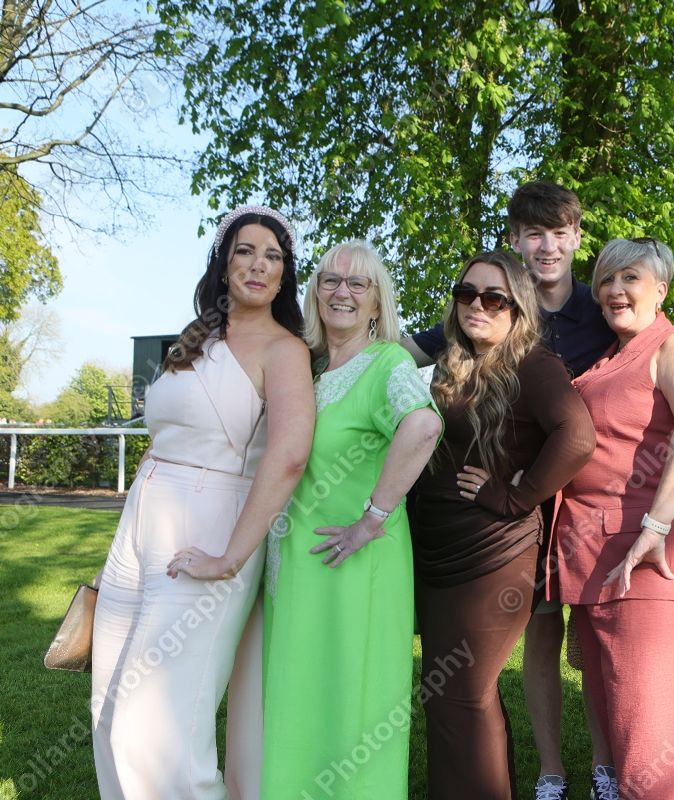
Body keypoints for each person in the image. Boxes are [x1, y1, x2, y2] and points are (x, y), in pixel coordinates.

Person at [402, 180, 617, 800]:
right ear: (516, 241)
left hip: (562, 513)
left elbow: (586, 428)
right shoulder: (466, 342)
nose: (480, 304)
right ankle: (548, 773)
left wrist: (516, 495)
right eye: (468, 295)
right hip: (475, 532)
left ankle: (604, 769)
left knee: (590, 650)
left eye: (559, 233)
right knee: (497, 667)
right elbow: (397, 348)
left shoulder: (596, 316)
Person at [91, 205, 314, 799]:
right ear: (223, 264)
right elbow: (162, 440)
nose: (258, 265)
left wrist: (229, 558)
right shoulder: (194, 341)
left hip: (212, 527)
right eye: (246, 251)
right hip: (143, 523)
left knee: (157, 719)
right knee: (109, 704)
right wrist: (128, 534)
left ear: (285, 275)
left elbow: (289, 456)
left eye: (273, 256)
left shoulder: (285, 351)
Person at [260, 240, 442, 799]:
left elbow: (424, 427)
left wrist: (372, 518)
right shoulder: (312, 369)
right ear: (314, 293)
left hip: (356, 564)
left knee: (353, 705)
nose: (342, 292)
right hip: (301, 566)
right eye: (330, 281)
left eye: (357, 283)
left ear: (376, 301)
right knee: (300, 696)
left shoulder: (388, 362)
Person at [556, 237, 674, 800]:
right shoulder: (608, 356)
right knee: (625, 735)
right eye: (606, 279)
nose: (615, 290)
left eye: (629, 278)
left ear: (661, 289)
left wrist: (656, 527)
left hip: (657, 562)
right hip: (601, 559)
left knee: (657, 746)